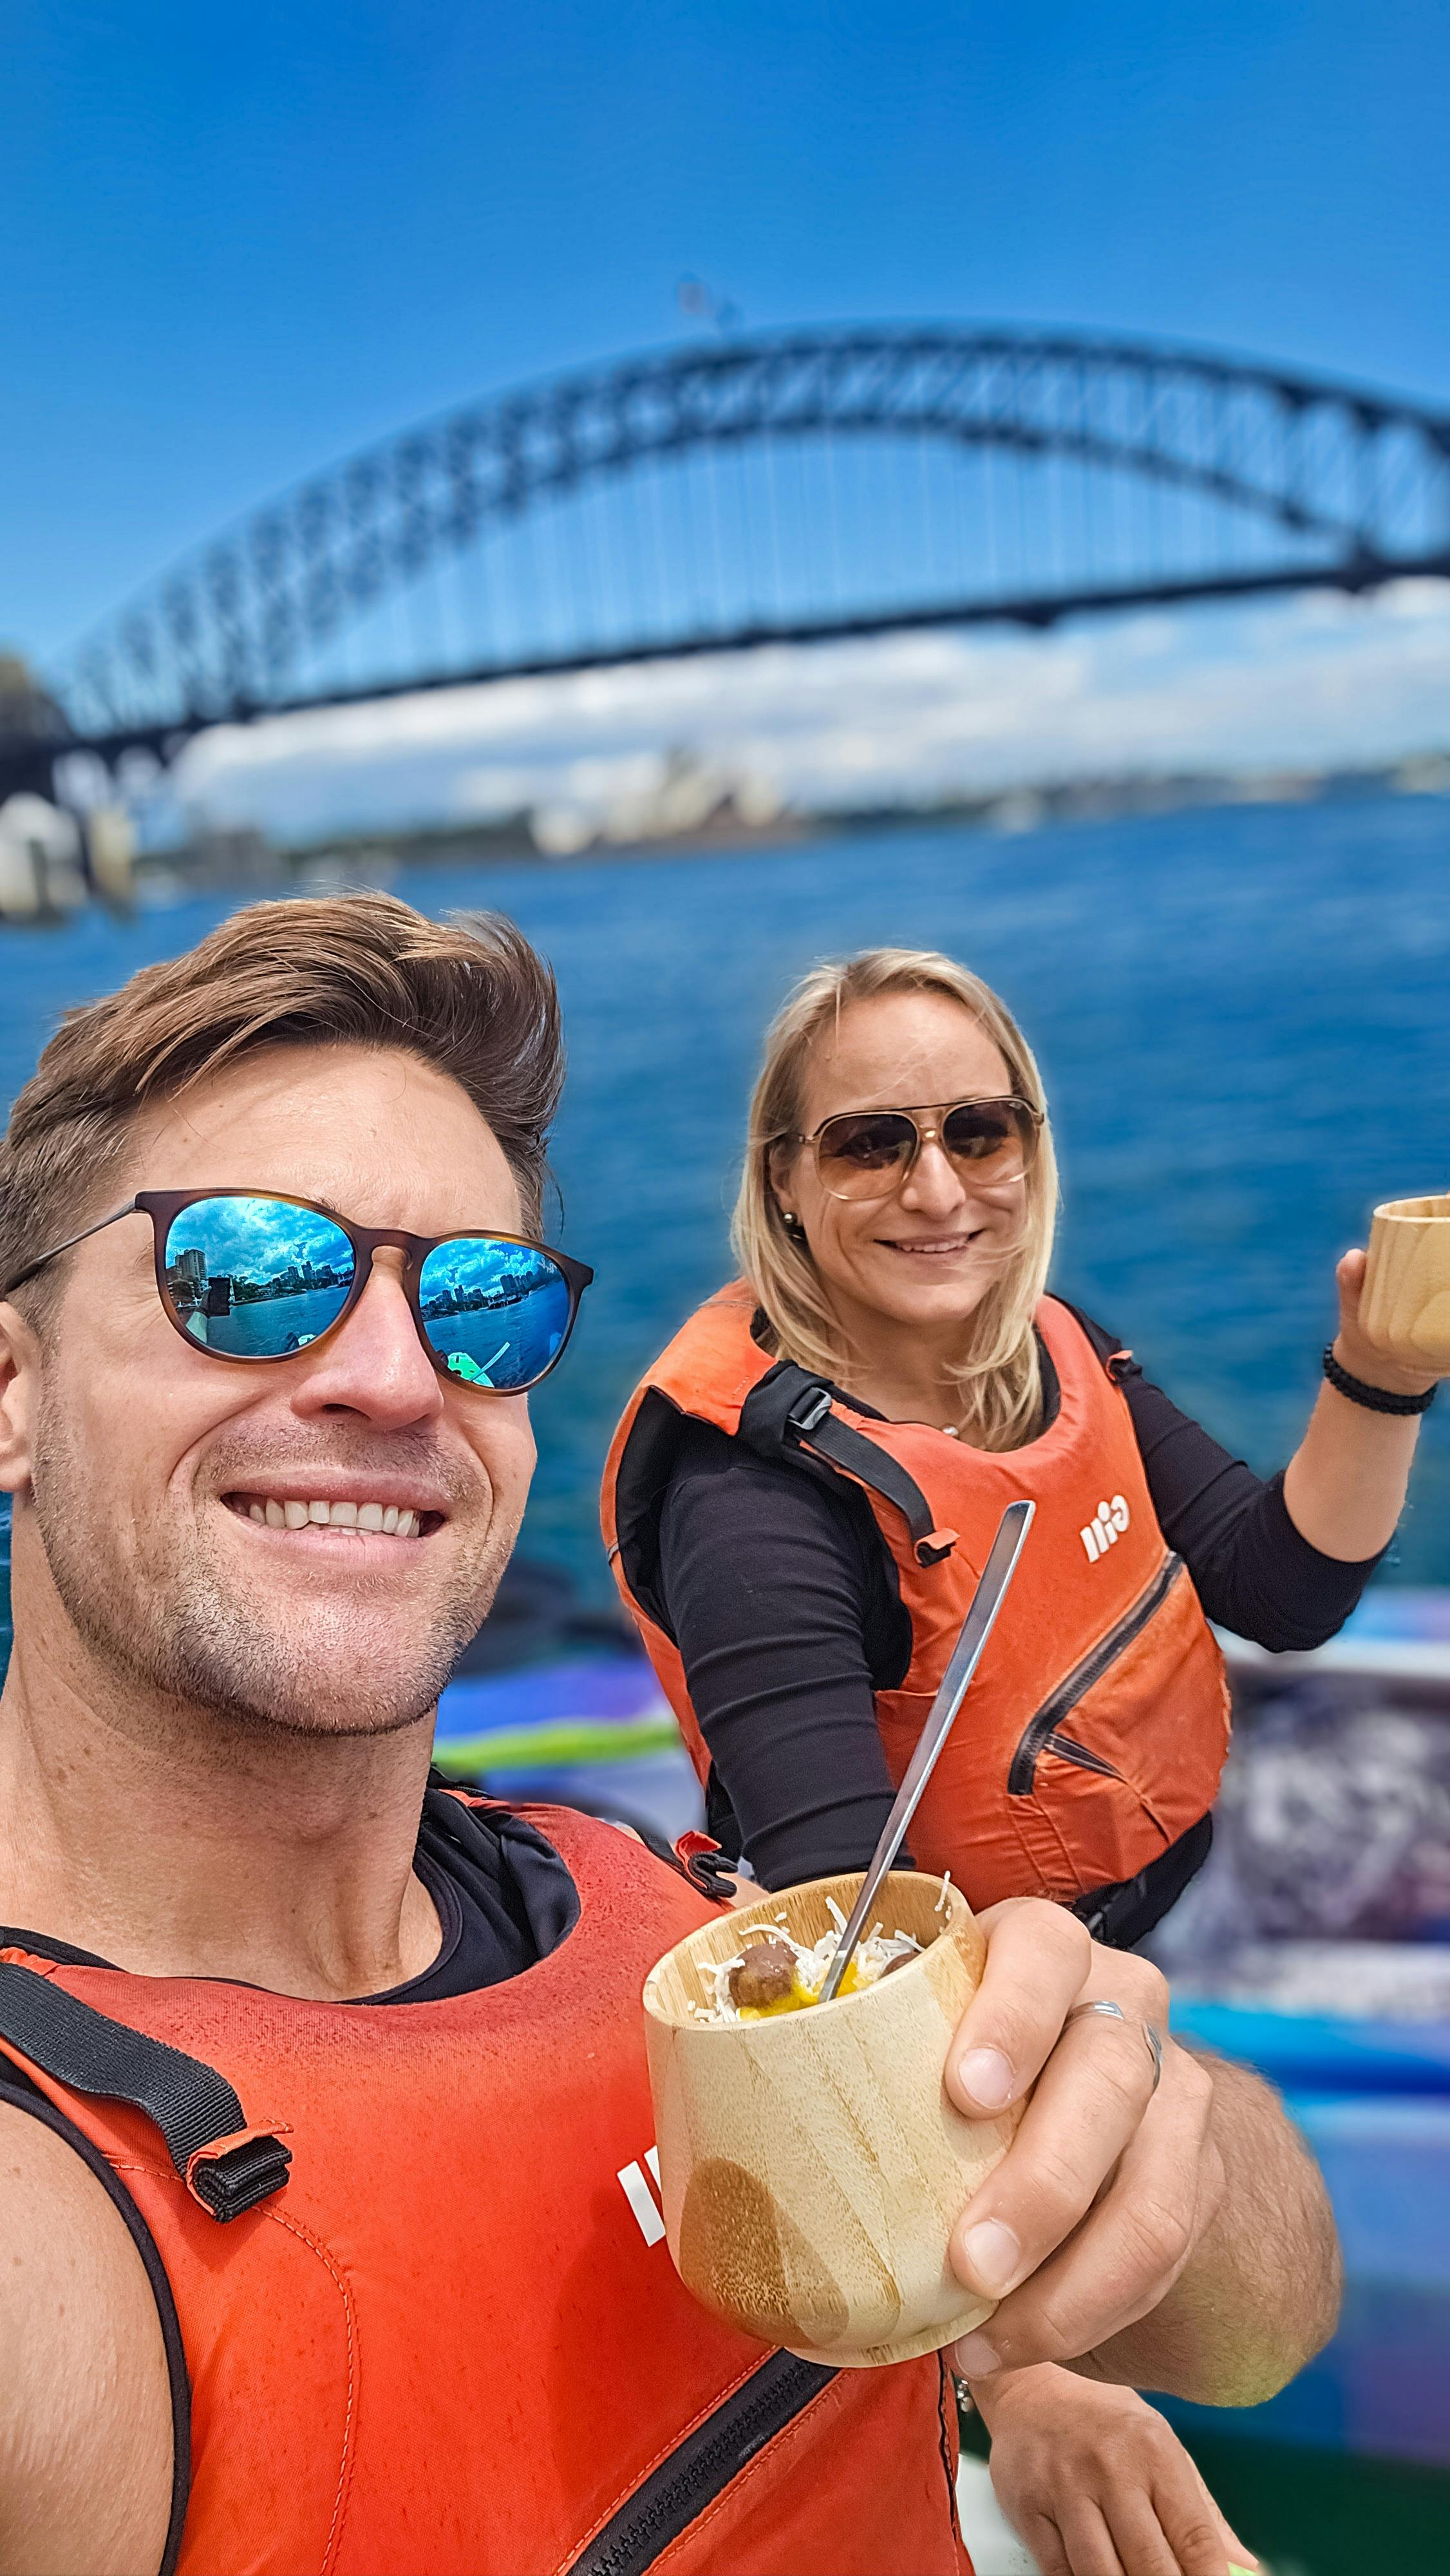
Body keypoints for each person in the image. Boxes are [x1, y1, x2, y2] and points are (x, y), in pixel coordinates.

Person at [0, 899, 1335, 2576]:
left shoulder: (659, 1922)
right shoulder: (49, 2191)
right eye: (248, 1279)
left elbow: (1270, 2316)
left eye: (480, 1302)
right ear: (14, 1385)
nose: (396, 1380)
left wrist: (1103, 2241)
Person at [604, 942, 1436, 2571]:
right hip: (991, 2014)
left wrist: (1384, 1374)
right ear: (782, 1186)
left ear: (1029, 1148)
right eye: (868, 1142)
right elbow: (857, 1943)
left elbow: (1284, 1584)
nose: (937, 1186)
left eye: (977, 1132)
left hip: (1167, 1888)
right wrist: (1020, 2366)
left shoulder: (1052, 1349)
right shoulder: (758, 1503)